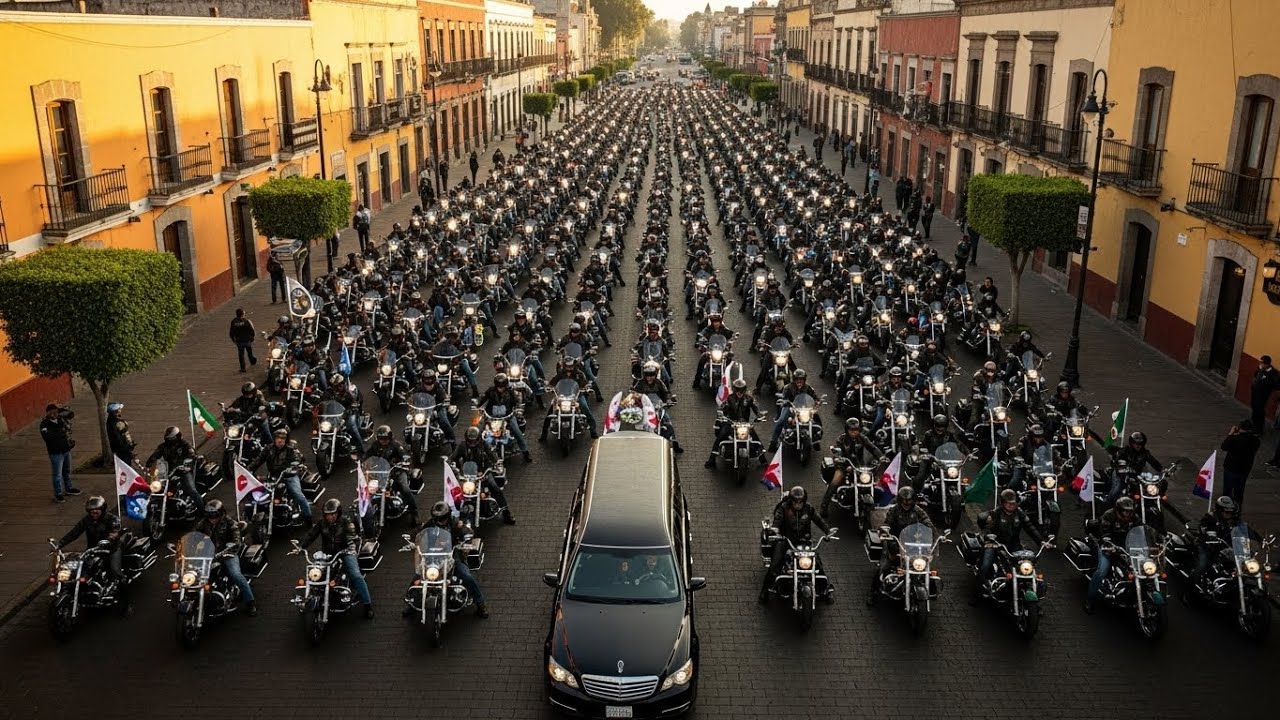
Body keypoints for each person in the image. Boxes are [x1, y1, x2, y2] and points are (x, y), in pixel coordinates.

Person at [300, 498, 374, 618]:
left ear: (338, 513)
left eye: (333, 514)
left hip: (345, 552)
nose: (330, 517)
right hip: (328, 554)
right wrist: (301, 547)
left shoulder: (346, 522)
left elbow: (351, 536)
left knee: (355, 575)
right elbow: (311, 534)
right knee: (315, 573)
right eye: (328, 514)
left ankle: (367, 605)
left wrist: (349, 546)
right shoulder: (322, 523)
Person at [760, 486, 832, 603]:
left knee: (817, 564)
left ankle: (826, 590)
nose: (798, 504)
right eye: (795, 502)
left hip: (804, 542)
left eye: (800, 502)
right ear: (791, 501)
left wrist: (828, 532)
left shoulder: (809, 508)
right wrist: (775, 531)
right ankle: (765, 591)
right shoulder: (783, 508)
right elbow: (777, 521)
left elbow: (819, 520)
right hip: (785, 541)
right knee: (775, 565)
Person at [416, 501, 489, 617]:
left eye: (442, 518)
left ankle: (480, 603)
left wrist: (466, 541)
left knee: (466, 576)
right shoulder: (430, 523)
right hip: (432, 555)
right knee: (419, 574)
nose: (440, 520)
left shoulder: (455, 523)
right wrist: (414, 542)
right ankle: (411, 602)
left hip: (452, 554)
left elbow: (467, 531)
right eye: (437, 518)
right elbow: (419, 534)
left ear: (448, 515)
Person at [972, 489, 1046, 603]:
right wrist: (989, 537)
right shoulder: (995, 513)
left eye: (1013, 503)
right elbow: (987, 528)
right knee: (985, 566)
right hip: (994, 543)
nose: (1011, 505)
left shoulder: (1020, 513)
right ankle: (978, 595)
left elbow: (1030, 527)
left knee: (1027, 565)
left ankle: (1029, 590)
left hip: (1013, 544)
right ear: (1003, 503)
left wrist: (1041, 541)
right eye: (1008, 503)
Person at [868, 487, 933, 604]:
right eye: (904, 500)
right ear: (899, 500)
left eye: (909, 500)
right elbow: (887, 523)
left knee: (926, 564)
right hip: (895, 541)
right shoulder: (894, 511)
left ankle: (931, 588)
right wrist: (886, 532)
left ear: (913, 500)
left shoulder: (918, 511)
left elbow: (927, 523)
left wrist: (931, 533)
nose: (906, 503)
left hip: (913, 543)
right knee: (883, 566)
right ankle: (873, 593)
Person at [58, 495, 126, 604]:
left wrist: (111, 538)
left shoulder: (112, 519)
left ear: (102, 509)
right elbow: (74, 533)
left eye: (96, 509)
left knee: (115, 571)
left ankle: (123, 599)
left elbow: (115, 532)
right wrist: (59, 544)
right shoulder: (87, 520)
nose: (94, 512)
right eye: (91, 510)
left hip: (111, 549)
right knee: (79, 570)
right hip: (93, 550)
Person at [194, 500, 257, 616]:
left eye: (215, 515)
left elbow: (236, 538)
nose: (212, 518)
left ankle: (250, 602)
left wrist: (232, 547)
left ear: (221, 513)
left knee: (235, 574)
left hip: (227, 553)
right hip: (209, 555)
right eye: (209, 515)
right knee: (194, 575)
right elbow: (195, 536)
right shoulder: (203, 524)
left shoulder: (229, 522)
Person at [450, 427, 516, 525]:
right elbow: (453, 458)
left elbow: (492, 454)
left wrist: (496, 463)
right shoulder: (462, 446)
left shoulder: (484, 444)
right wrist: (452, 465)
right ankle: (453, 515)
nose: (472, 443)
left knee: (494, 487)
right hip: (468, 474)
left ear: (478, 439)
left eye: (474, 441)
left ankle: (506, 511)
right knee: (456, 492)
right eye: (470, 441)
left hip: (484, 472)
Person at [1084, 497, 1139, 614]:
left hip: (1127, 547)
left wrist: (1157, 537)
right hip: (1108, 547)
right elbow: (1105, 533)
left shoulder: (1134, 518)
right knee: (1102, 571)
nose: (1128, 514)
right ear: (1118, 510)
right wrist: (1108, 541)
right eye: (1125, 511)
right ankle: (1090, 600)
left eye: (1130, 511)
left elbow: (1141, 529)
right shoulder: (1109, 515)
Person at [249, 429, 313, 523]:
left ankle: (308, 517)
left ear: (286, 440)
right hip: (273, 477)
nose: (280, 440)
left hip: (289, 475)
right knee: (258, 495)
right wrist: (249, 469)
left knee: (298, 494)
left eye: (283, 438)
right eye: (278, 438)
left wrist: (293, 466)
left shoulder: (290, 449)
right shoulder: (268, 449)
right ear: (274, 439)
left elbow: (297, 458)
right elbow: (258, 460)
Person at [368, 425, 420, 526]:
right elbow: (367, 456)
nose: (383, 441)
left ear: (390, 437)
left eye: (385, 438)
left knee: (405, 489)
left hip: (397, 472)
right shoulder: (375, 446)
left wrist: (404, 461)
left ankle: (414, 513)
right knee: (369, 488)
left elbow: (404, 455)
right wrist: (362, 462)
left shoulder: (396, 445)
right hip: (380, 473)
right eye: (381, 439)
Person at [707, 379, 763, 468]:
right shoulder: (729, 398)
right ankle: (711, 459)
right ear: (734, 390)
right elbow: (723, 407)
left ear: (744, 390)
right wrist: (721, 414)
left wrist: (759, 415)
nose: (739, 392)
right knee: (721, 436)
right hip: (731, 422)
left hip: (744, 424)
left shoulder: (749, 399)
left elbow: (755, 408)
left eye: (741, 390)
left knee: (756, 438)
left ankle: (763, 459)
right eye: (737, 390)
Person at [476, 373, 532, 462]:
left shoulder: (510, 392)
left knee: (517, 432)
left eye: (502, 387)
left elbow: (516, 402)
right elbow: (483, 399)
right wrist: (478, 406)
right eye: (499, 387)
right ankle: (479, 453)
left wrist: (518, 410)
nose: (500, 389)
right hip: (492, 417)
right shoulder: (490, 391)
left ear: (506, 385)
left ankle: (525, 452)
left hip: (507, 417)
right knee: (481, 433)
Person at [145, 426, 202, 509]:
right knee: (156, 489)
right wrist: (148, 465)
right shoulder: (163, 446)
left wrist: (187, 464)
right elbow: (154, 456)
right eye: (168, 438)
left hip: (184, 471)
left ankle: (202, 510)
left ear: (177, 437)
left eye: (171, 438)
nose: (169, 440)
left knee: (191, 490)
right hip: (169, 472)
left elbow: (192, 456)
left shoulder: (185, 445)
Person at [769, 370, 822, 452]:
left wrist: (818, 401)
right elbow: (784, 397)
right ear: (794, 379)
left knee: (816, 418)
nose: (799, 381)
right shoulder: (788, 387)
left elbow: (815, 397)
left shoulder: (808, 387)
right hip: (790, 407)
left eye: (801, 379)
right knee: (782, 420)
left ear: (804, 380)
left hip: (804, 408)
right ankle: (773, 442)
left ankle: (816, 439)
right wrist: (785, 401)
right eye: (797, 379)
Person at [1105, 431, 1163, 504]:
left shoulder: (1145, 453)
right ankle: (1107, 504)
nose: (1138, 446)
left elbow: (1153, 462)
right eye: (1136, 443)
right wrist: (1122, 468)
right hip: (1120, 474)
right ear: (1132, 443)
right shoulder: (1125, 450)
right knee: (1117, 489)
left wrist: (1162, 470)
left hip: (1136, 476)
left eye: (1140, 444)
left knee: (1147, 491)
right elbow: (1117, 460)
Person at [41, 403, 79, 503]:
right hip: (55, 453)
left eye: (56, 412)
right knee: (57, 474)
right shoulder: (44, 424)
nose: (54, 414)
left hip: (65, 450)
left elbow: (70, 414)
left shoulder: (60, 419)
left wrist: (60, 409)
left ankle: (69, 488)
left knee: (67, 471)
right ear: (47, 413)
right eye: (51, 412)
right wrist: (59, 431)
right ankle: (58, 494)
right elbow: (47, 437)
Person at [1220, 420, 1261, 509]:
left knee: (1227, 489)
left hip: (1231, 468)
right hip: (1244, 469)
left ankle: (1225, 508)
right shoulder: (1256, 440)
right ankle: (1237, 508)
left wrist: (1231, 434)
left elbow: (1223, 446)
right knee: (1239, 490)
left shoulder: (1234, 439)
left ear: (1240, 428)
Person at [1249, 355, 1279, 433]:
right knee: (1254, 407)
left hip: (1263, 395)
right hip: (1255, 392)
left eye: (1262, 363)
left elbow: (1276, 385)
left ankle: (1259, 428)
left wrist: (1266, 382)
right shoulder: (1260, 369)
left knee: (1259, 410)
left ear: (1267, 364)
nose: (1260, 364)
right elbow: (1255, 376)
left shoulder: (1273, 373)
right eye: (1260, 363)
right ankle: (1253, 423)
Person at [230, 308, 259, 372]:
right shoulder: (246, 321)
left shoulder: (233, 322)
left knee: (241, 354)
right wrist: (252, 337)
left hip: (239, 340)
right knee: (249, 352)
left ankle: (243, 368)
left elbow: (231, 332)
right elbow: (251, 330)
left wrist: (233, 340)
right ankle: (252, 360)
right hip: (247, 340)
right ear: (243, 314)